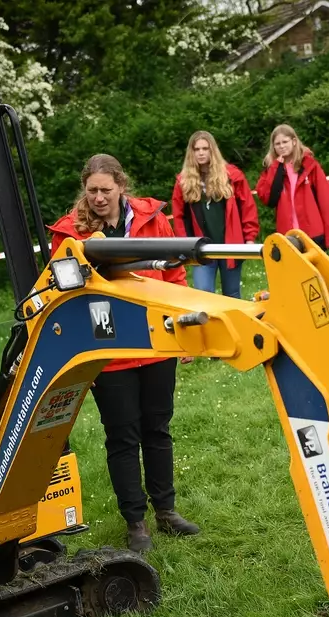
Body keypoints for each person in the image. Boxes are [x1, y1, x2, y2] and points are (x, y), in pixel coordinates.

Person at [48, 154, 201, 554]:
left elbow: (175, 275)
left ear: (121, 187)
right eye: (92, 190)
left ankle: (166, 511)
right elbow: (65, 296)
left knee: (157, 428)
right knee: (122, 435)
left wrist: (183, 332)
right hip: (108, 350)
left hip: (154, 343)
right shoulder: (69, 234)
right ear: (85, 189)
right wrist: (83, 357)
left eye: (106, 189)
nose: (99, 197)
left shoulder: (153, 220)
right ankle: (136, 523)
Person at [170, 130, 259, 298]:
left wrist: (249, 238)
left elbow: (247, 208)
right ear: (191, 153)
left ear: (213, 150)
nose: (201, 153)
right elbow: (179, 216)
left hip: (231, 246)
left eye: (205, 148)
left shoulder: (233, 176)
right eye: (197, 149)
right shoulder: (183, 181)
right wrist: (184, 245)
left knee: (232, 295)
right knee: (204, 294)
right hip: (201, 248)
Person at [255, 123, 329, 251]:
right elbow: (267, 198)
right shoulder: (271, 169)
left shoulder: (310, 166)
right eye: (278, 144)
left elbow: (327, 202)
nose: (282, 146)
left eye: (285, 142)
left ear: (294, 141)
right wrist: (275, 167)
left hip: (313, 233)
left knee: (316, 271)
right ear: (273, 147)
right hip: (288, 236)